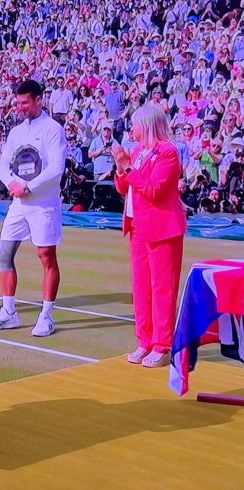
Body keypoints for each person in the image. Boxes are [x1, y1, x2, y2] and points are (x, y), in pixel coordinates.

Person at [0, 80, 66, 337]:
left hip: (43, 203)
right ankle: (8, 312)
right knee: (4, 254)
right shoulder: (16, 132)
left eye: (24, 103)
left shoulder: (53, 129)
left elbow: (56, 168)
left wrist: (27, 187)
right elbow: (4, 165)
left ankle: (46, 315)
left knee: (46, 257)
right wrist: (13, 185)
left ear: (39, 100)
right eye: (17, 103)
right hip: (19, 203)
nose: (19, 107)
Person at [112, 105, 187, 368]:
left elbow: (154, 190)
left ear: (147, 126)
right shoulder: (136, 151)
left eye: (135, 125)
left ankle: (163, 344)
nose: (131, 129)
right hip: (137, 227)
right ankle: (144, 340)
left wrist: (128, 169)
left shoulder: (167, 152)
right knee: (141, 287)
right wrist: (121, 169)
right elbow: (124, 188)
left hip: (163, 228)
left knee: (162, 288)